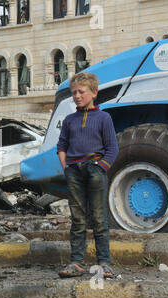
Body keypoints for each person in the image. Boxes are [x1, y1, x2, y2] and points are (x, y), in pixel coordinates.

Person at [57, 72, 119, 279]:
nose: (76, 96)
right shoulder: (69, 120)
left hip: (95, 169)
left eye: (81, 92)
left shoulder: (104, 118)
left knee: (100, 219)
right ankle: (76, 262)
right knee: (78, 219)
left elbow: (112, 148)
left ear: (93, 93)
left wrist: (101, 166)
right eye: (74, 92)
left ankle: (104, 263)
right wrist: (67, 168)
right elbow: (62, 145)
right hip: (74, 171)